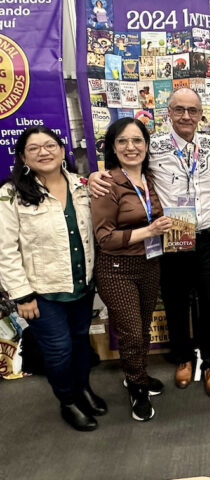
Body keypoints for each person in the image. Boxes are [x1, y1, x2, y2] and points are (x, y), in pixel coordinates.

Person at [90, 88, 210, 398]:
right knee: (176, 301)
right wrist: (94, 177)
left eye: (192, 110)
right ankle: (183, 358)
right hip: (174, 235)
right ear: (168, 112)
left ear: (201, 113)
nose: (186, 116)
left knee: (209, 300)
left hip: (209, 236)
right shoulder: (154, 147)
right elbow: (125, 165)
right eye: (179, 109)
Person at [0, 127, 106, 431]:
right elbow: (5, 250)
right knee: (59, 349)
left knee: (79, 342)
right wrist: (21, 295)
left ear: (62, 150)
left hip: (81, 285)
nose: (43, 152)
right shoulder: (11, 194)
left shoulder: (81, 185)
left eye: (50, 145)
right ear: (23, 157)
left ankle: (83, 388)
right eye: (34, 148)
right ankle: (68, 400)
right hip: (41, 293)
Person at [91, 118, 172, 421]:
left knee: (142, 326)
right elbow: (105, 237)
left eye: (137, 140)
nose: (131, 147)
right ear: (113, 147)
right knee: (131, 333)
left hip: (149, 264)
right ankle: (137, 387)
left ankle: (135, 374)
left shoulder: (150, 179)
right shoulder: (107, 183)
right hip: (116, 268)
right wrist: (149, 230)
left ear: (146, 145)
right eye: (123, 141)